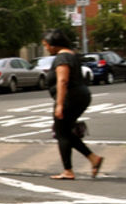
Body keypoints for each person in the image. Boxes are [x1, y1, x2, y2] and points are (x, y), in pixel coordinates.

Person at [43, 29, 104, 180]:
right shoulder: (71, 55)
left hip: (70, 98)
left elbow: (62, 81)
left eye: (46, 45)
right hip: (80, 96)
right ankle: (93, 158)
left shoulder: (62, 57)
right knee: (65, 132)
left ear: (53, 44)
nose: (46, 48)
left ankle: (68, 170)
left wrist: (59, 105)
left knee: (61, 133)